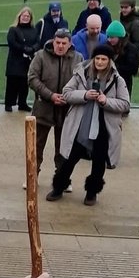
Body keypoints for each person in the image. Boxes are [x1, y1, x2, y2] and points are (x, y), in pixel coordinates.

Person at [46, 43, 131, 206]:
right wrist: (84, 95)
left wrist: (106, 101)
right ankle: (58, 187)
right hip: (80, 126)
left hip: (104, 128)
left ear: (109, 61)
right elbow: (67, 92)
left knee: (99, 162)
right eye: (97, 58)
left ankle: (92, 192)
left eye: (103, 59)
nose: (99, 62)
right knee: (69, 159)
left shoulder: (117, 79)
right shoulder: (81, 73)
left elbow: (125, 104)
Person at [27, 28, 82, 175]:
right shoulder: (40, 56)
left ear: (70, 44)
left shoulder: (78, 59)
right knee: (36, 145)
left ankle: (62, 178)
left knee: (63, 147)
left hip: (66, 110)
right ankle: (32, 175)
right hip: (43, 108)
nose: (60, 46)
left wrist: (69, 97)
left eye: (64, 43)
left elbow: (82, 82)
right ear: (53, 41)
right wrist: (50, 95)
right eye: (57, 42)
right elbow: (32, 78)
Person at [4, 7, 39, 111]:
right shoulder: (13, 29)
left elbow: (38, 42)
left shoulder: (34, 30)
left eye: (28, 16)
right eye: (24, 16)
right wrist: (24, 49)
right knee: (12, 83)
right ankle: (9, 103)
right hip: (14, 61)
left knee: (24, 83)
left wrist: (32, 49)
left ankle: (22, 103)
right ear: (19, 17)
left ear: (30, 18)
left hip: (27, 61)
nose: (25, 18)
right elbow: (12, 43)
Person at [104, 20, 139, 98]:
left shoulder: (131, 50)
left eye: (112, 37)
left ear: (120, 37)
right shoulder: (105, 47)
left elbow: (133, 69)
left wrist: (113, 68)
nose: (109, 39)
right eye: (109, 37)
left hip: (124, 84)